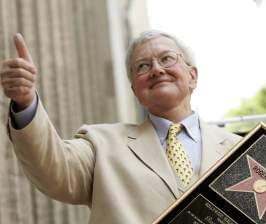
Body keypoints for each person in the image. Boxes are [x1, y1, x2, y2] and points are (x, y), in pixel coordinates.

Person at [0, 31, 241, 224]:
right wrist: (26, 102)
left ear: (192, 76)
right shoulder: (101, 144)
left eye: (167, 58)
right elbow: (54, 169)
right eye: (142, 67)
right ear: (135, 90)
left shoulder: (241, 151)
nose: (156, 69)